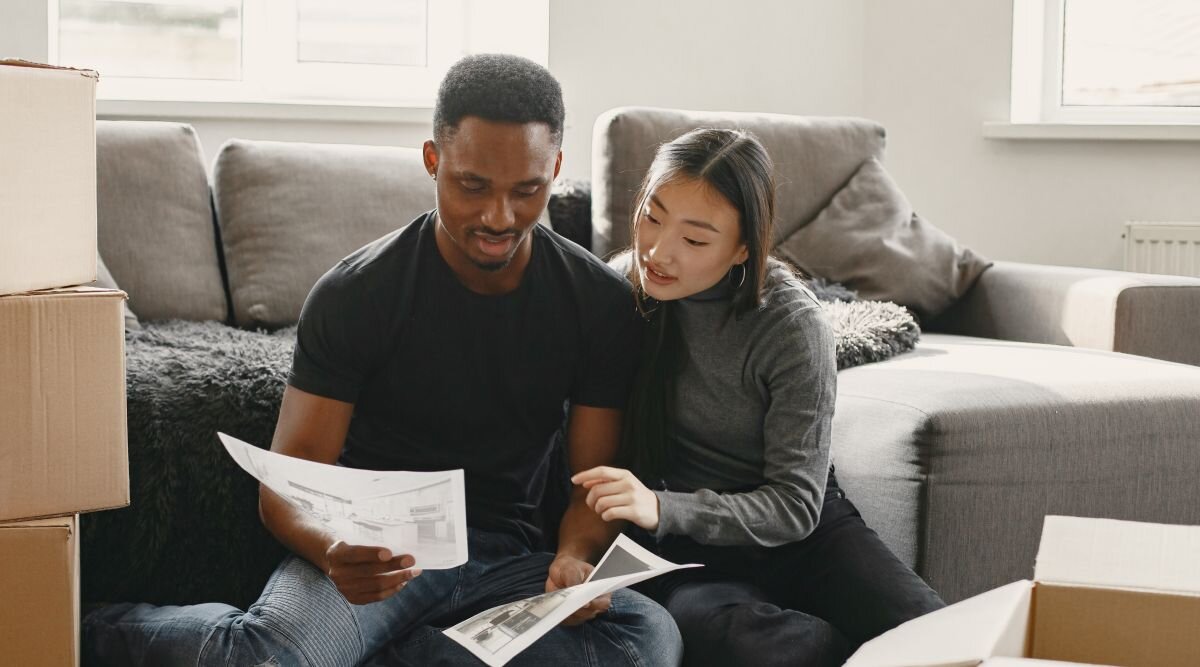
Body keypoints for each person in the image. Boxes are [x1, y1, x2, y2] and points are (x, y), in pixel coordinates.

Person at [84, 54, 683, 667]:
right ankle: (98, 629)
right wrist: (334, 548)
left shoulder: (598, 304)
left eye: (526, 190)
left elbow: (594, 480)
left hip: (508, 558)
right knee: (268, 658)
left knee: (645, 641)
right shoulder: (357, 294)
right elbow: (285, 484)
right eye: (472, 185)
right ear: (432, 161)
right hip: (374, 548)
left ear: (555, 169)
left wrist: (575, 556)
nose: (498, 217)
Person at [572, 128, 945, 667]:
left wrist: (660, 506)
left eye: (695, 240)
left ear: (744, 246)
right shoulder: (622, 289)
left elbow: (795, 507)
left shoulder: (790, 324)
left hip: (795, 529)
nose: (657, 251)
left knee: (936, 638)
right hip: (682, 548)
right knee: (765, 645)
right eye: (652, 217)